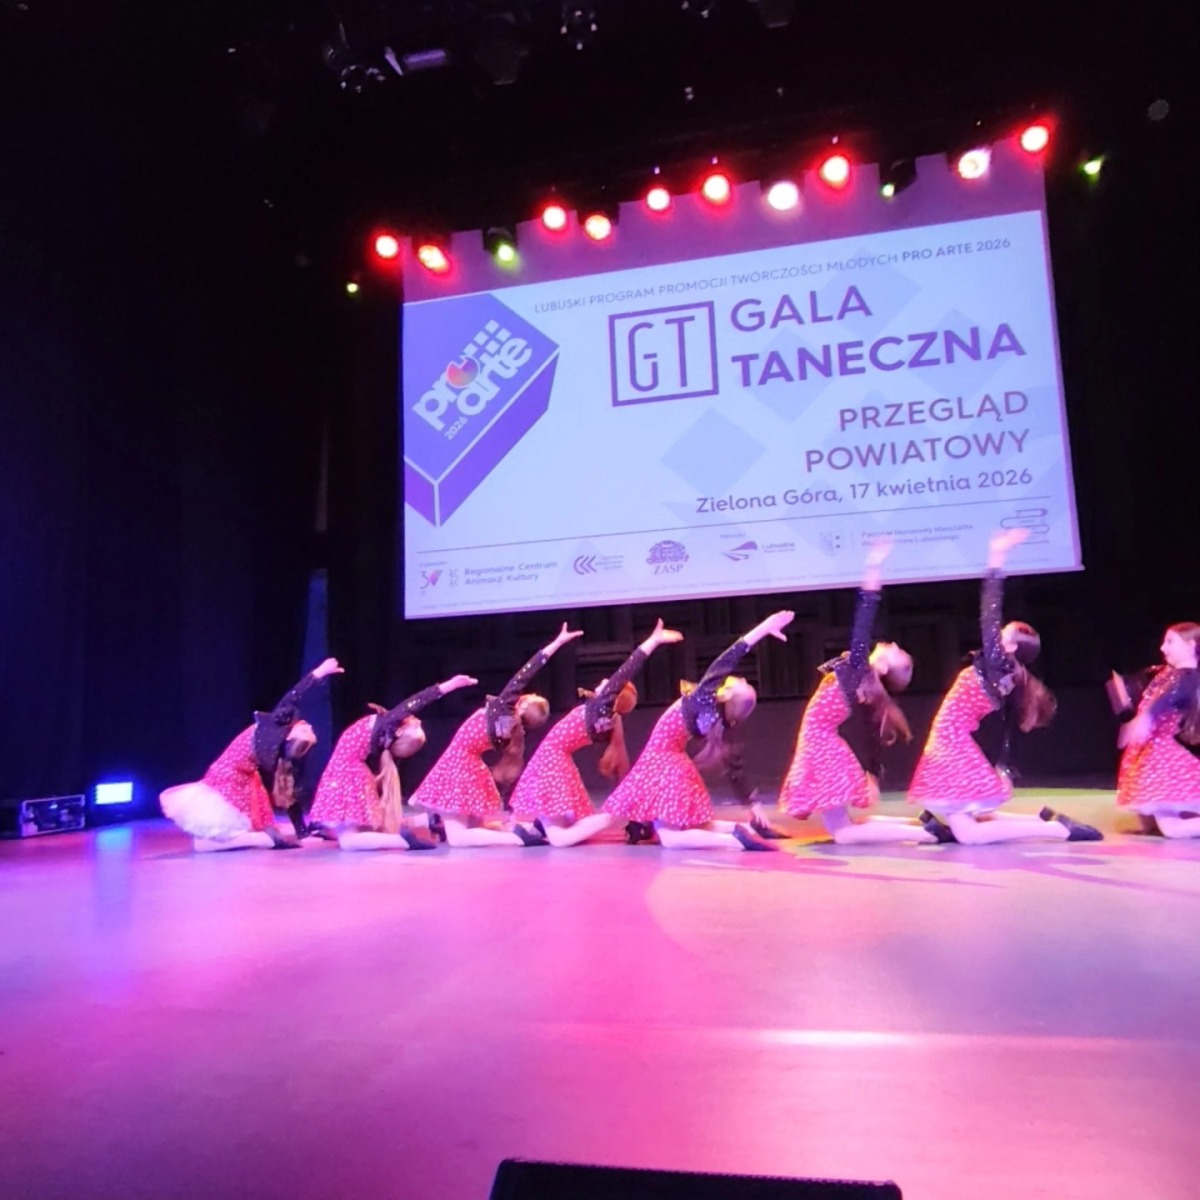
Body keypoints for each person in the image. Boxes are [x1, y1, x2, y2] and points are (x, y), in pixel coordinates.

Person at [908, 531, 1101, 844]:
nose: (996, 633)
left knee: (970, 834)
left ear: (1010, 647)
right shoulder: (1008, 675)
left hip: (951, 743)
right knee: (972, 817)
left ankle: (1056, 829)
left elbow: (989, 613)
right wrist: (1004, 767)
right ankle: (1045, 822)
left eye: (1003, 633)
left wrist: (996, 561)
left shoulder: (999, 664)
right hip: (953, 742)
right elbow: (1009, 728)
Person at [781, 538, 934, 844]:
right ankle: (921, 826)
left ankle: (926, 834)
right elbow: (870, 731)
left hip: (820, 747)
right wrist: (872, 773)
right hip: (822, 744)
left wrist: (873, 566)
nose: (893, 644)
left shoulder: (857, 670)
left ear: (885, 667)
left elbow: (863, 619)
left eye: (897, 652)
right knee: (847, 826)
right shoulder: (861, 680)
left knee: (844, 833)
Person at [602, 611, 795, 851]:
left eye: (743, 683)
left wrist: (764, 628)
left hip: (662, 762)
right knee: (698, 824)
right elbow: (735, 770)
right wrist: (754, 806)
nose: (743, 678)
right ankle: (748, 830)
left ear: (729, 693)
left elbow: (730, 656)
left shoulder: (704, 698)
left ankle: (735, 841)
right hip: (673, 761)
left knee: (671, 838)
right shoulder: (724, 721)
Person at [511, 619, 682, 847]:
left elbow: (628, 668)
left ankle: (619, 814)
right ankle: (542, 826)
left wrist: (653, 641)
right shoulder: (605, 716)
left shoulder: (603, 707)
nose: (603, 681)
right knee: (561, 824)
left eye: (609, 683)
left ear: (614, 695)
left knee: (560, 839)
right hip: (557, 761)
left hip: (550, 762)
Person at [410, 624, 582, 847]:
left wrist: (556, 643)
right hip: (470, 768)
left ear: (523, 704)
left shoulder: (504, 710)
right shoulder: (510, 731)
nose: (526, 692)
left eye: (529, 696)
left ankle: (516, 837)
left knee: (459, 838)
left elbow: (527, 671)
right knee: (471, 827)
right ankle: (514, 831)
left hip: (459, 767)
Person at [159, 658, 343, 851]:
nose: (308, 725)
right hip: (233, 776)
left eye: (306, 731)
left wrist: (319, 672)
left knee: (230, 835)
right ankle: (256, 839)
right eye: (309, 730)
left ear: (290, 738)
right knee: (247, 831)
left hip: (234, 778)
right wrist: (302, 832)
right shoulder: (278, 740)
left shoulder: (275, 727)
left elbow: (294, 695)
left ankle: (249, 840)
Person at [308, 674, 477, 850]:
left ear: (399, 733)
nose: (417, 721)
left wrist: (450, 685)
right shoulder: (384, 731)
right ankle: (426, 821)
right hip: (350, 773)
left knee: (349, 841)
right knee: (354, 830)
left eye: (415, 727)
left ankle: (402, 840)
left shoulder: (386, 725)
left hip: (345, 775)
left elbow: (416, 701)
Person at [1111, 622, 1200, 837]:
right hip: (1157, 752)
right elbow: (1144, 690)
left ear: (1191, 645)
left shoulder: (1187, 676)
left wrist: (1145, 719)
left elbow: (1165, 700)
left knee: (1172, 829)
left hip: (1170, 757)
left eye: (1170, 642)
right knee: (1152, 822)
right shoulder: (1167, 674)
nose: (1162, 647)